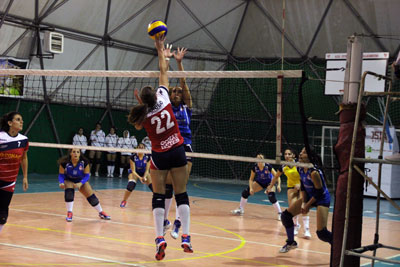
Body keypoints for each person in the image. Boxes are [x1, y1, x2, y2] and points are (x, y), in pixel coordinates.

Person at [127, 34, 192, 260]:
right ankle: (186, 236)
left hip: (159, 156)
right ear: (156, 94)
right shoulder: (164, 97)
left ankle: (159, 238)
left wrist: (140, 105)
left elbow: (136, 125)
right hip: (177, 149)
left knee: (158, 195)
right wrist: (160, 49)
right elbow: (164, 72)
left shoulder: (143, 116)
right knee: (181, 193)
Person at [162, 45, 193, 239]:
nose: (175, 93)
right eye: (173, 91)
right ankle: (165, 220)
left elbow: (183, 82)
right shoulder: (166, 107)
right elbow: (163, 81)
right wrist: (165, 60)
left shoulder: (186, 107)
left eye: (178, 92)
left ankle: (178, 223)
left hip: (185, 145)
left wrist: (179, 62)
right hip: (170, 145)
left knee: (181, 186)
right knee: (167, 186)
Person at [279, 147, 332, 253]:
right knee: (285, 216)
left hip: (321, 198)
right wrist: (303, 202)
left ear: (310, 157)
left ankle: (336, 244)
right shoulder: (300, 168)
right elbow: (303, 186)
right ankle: (291, 242)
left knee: (322, 233)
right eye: (301, 151)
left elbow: (319, 192)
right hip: (309, 196)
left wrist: (307, 205)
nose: (300, 153)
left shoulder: (314, 172)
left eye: (303, 152)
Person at [267, 148, 311, 239]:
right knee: (292, 208)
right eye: (285, 154)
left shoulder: (299, 165)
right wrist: (270, 186)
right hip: (291, 187)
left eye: (289, 154)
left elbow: (306, 175)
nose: (287, 156)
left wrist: (300, 184)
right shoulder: (283, 166)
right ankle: (296, 225)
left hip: (302, 186)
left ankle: (306, 230)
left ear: (293, 156)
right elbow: (275, 177)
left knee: (304, 206)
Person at [58, 148, 111, 222]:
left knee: (91, 196)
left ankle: (101, 212)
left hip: (81, 180)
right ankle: (69, 212)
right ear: (70, 153)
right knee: (69, 192)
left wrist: (81, 183)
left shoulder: (84, 163)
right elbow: (61, 175)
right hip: (69, 180)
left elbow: (87, 176)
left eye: (77, 152)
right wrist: (61, 182)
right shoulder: (64, 163)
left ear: (80, 154)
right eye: (74, 152)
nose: (75, 153)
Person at [0, 111, 28, 234]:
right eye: (18, 119)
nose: (21, 122)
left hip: (9, 181)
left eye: (21, 119)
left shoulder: (23, 140)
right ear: (10, 123)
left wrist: (25, 177)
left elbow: (24, 158)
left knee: (3, 213)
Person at [231, 153, 282, 220]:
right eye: (257, 158)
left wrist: (278, 185)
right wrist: (251, 188)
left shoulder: (268, 166)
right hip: (260, 182)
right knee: (245, 192)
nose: (258, 160)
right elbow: (251, 179)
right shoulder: (255, 167)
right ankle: (241, 209)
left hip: (270, 183)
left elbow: (277, 176)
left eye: (260, 158)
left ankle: (280, 213)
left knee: (271, 196)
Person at [120, 143, 152, 208]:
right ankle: (124, 201)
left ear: (144, 149)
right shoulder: (133, 157)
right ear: (137, 148)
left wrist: (145, 177)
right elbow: (133, 171)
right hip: (135, 172)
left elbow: (147, 170)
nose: (141, 149)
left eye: (142, 148)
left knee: (153, 187)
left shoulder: (147, 157)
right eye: (139, 147)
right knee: (131, 186)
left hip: (144, 172)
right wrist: (140, 178)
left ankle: (157, 203)